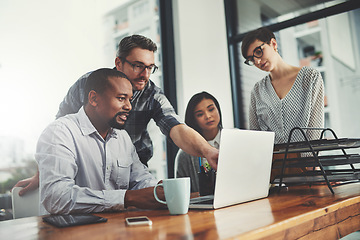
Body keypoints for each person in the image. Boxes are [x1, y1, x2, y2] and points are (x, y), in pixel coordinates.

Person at [14, 35, 219, 196]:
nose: (145, 75)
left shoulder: (153, 95)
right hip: (87, 170)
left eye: (150, 67)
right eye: (138, 65)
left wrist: (208, 151)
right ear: (118, 63)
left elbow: (177, 128)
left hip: (131, 169)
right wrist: (47, 172)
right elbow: (58, 134)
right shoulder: (89, 85)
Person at [37, 68, 165, 214]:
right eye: (121, 98)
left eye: (130, 99)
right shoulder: (59, 132)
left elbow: (140, 180)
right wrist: (126, 198)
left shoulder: (122, 138)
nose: (129, 106)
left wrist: (160, 189)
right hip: (68, 232)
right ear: (94, 99)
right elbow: (56, 198)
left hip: (114, 229)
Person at [241, 27, 324, 144]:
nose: (257, 62)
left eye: (258, 52)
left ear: (273, 44)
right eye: (251, 60)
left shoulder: (310, 77)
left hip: (307, 160)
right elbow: (256, 136)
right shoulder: (257, 91)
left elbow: (315, 131)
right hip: (273, 161)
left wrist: (307, 160)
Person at [175, 92, 222, 193]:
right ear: (194, 120)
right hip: (203, 208)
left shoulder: (234, 141)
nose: (208, 116)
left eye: (211, 109)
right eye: (200, 114)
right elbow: (182, 193)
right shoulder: (185, 154)